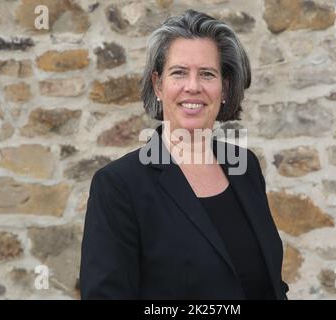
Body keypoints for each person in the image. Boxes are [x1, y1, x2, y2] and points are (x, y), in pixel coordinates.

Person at [80, 9, 289, 300]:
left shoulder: (245, 167)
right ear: (158, 85)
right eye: (179, 73)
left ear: (224, 87)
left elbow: (270, 285)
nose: (193, 86)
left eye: (207, 74)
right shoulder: (119, 186)